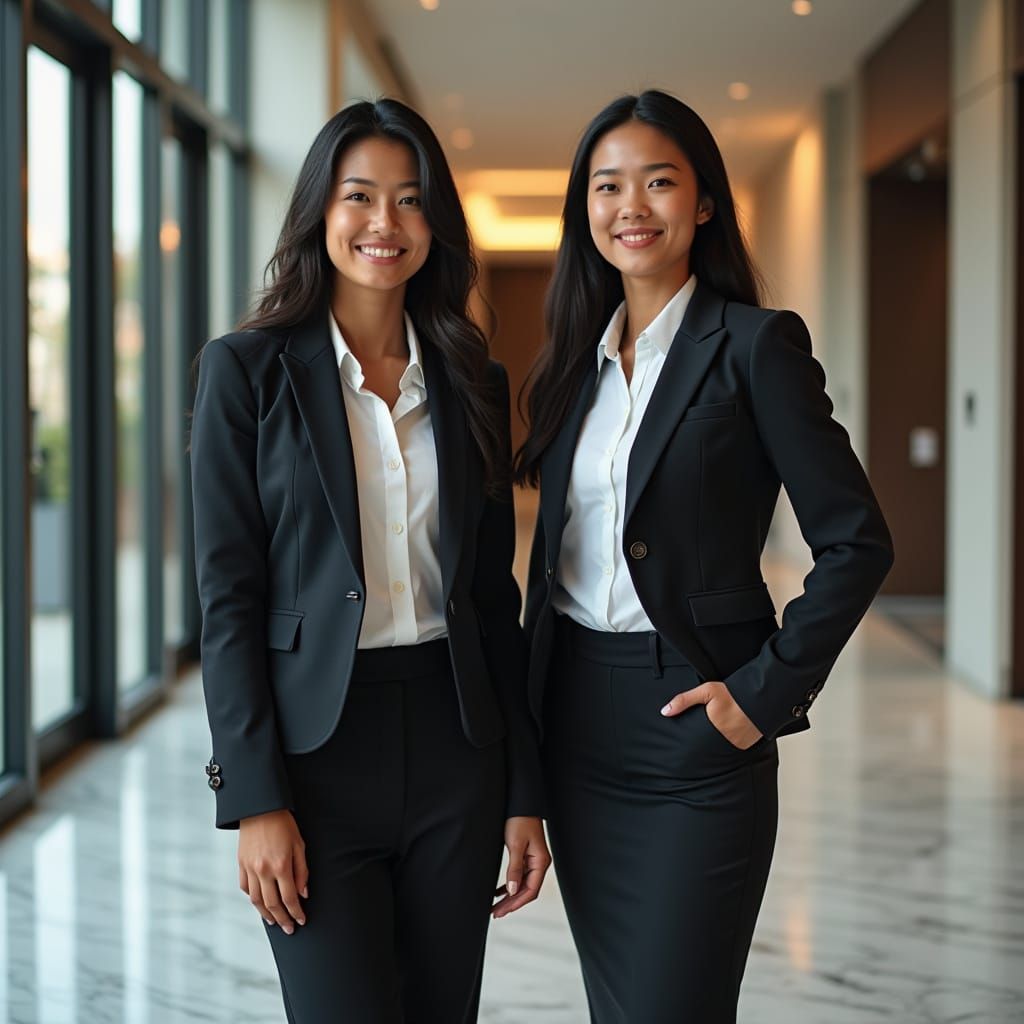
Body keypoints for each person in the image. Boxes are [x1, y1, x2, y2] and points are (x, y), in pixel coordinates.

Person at [515, 90, 894, 1023]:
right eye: (608, 186)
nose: (631, 206)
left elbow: (857, 543)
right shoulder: (573, 364)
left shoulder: (757, 347)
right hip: (575, 725)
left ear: (706, 201)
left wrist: (762, 695)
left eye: (658, 181)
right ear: (585, 209)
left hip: (696, 720)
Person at [191, 98, 550, 1024]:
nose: (384, 225)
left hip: (454, 744)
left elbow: (488, 597)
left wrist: (522, 793)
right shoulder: (246, 371)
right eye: (360, 197)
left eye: (410, 199)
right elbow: (229, 599)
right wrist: (255, 799)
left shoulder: (474, 378)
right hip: (316, 758)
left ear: (437, 221)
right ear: (321, 210)